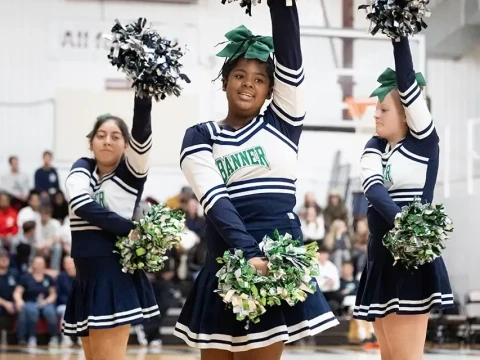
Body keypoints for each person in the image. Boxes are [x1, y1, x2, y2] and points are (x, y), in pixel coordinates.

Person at [173, 1, 339, 358]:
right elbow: (215, 200)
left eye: (259, 80)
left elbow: (291, 58)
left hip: (274, 262)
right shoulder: (200, 136)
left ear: (270, 91)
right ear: (224, 82)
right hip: (229, 256)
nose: (248, 85)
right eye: (239, 76)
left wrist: (283, 4)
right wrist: (248, 254)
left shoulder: (284, 123)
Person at [353, 36, 453, 360]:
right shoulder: (374, 148)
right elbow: (372, 187)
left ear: (408, 114)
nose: (376, 115)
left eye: (383, 109)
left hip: (409, 262)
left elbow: (407, 81)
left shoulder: (423, 143)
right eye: (375, 109)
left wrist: (398, 32)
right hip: (380, 260)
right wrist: (400, 220)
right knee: (389, 356)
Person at [61, 96, 159, 360]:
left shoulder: (132, 174)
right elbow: (81, 203)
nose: (107, 140)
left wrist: (144, 95)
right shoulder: (81, 170)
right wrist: (129, 228)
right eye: (101, 135)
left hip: (112, 275)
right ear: (91, 142)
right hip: (85, 277)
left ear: (127, 146)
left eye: (116, 136)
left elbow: (142, 131)